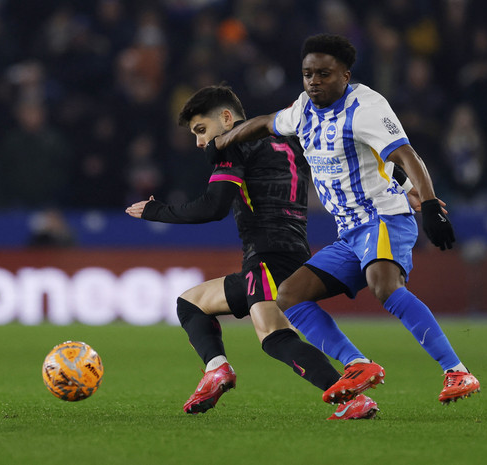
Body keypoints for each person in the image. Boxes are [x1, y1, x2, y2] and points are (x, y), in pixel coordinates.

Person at [211, 34, 481, 405]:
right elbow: (264, 123)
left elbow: (405, 155)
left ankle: (457, 371)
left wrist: (430, 202)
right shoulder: (304, 108)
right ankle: (357, 364)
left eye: (324, 73)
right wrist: (226, 140)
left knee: (383, 285)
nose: (314, 81)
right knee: (290, 295)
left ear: (345, 75)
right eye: (308, 74)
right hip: (350, 232)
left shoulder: (367, 107)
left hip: (383, 218)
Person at [126, 85, 385, 419]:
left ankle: (351, 398)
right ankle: (216, 368)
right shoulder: (288, 140)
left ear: (226, 118)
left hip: (266, 254)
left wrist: (157, 212)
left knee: (274, 336)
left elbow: (214, 206)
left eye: (201, 130)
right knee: (191, 303)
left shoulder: (235, 142)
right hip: (292, 252)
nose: (200, 143)